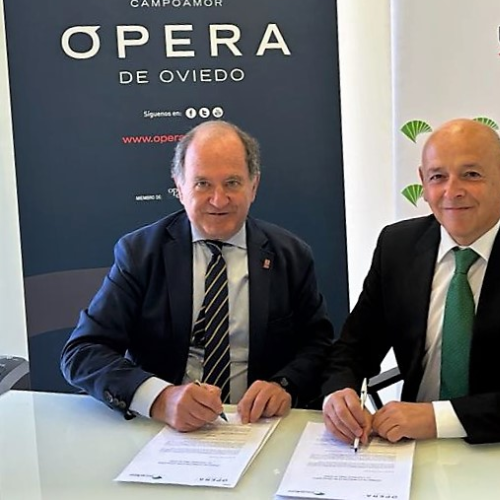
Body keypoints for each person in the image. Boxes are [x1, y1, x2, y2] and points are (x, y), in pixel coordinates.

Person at [322, 118, 500, 500]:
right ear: (423, 183)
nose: (452, 191)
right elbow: (354, 345)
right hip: (413, 455)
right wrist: (339, 392)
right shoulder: (397, 247)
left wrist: (437, 418)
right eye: (438, 177)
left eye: (471, 174)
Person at [61, 120, 333, 432]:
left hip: (258, 427)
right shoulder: (140, 253)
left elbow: (318, 345)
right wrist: (159, 398)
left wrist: (284, 384)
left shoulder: (291, 255)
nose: (218, 200)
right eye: (202, 184)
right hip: (164, 431)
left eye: (232, 183)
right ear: (179, 187)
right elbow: (83, 351)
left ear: (254, 186)